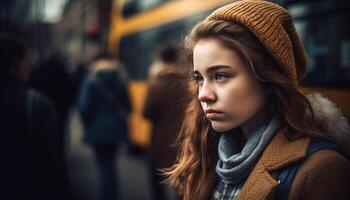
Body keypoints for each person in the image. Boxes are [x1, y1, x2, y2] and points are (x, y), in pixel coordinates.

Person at [164, 1, 350, 200]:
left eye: (220, 76)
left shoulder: (320, 170)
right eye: (199, 78)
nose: (203, 94)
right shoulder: (206, 153)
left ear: (268, 78)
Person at [0, 33, 73, 199]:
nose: (30, 65)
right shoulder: (37, 103)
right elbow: (53, 168)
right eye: (26, 60)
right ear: (16, 64)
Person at [77, 56, 131, 200]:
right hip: (116, 129)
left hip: (97, 129)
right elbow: (128, 107)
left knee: (103, 166)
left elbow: (84, 107)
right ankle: (112, 193)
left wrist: (87, 124)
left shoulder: (90, 80)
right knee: (110, 165)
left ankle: (108, 195)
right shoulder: (121, 80)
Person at [143, 45, 189, 200]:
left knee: (157, 185)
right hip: (183, 141)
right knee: (181, 186)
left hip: (160, 143)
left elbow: (146, 113)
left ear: (160, 61)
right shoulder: (188, 84)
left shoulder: (156, 85)